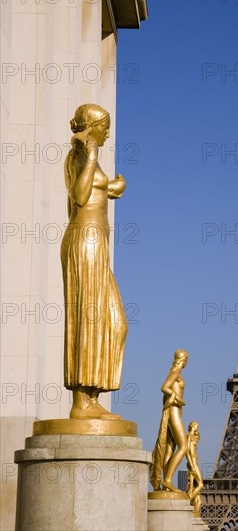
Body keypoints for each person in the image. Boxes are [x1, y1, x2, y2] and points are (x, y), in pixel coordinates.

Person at [61, 104, 127, 419]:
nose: (108, 133)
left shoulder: (89, 158)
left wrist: (113, 186)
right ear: (94, 125)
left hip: (97, 242)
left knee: (115, 323)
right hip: (85, 241)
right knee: (89, 318)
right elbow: (79, 194)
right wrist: (91, 159)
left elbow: (97, 189)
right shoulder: (79, 154)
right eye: (106, 127)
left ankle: (93, 395)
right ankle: (81, 402)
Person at [150, 349, 189, 492]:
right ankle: (167, 480)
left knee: (170, 449)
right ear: (183, 359)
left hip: (175, 412)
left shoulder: (176, 372)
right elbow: (164, 387)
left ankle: (166, 482)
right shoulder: (176, 373)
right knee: (184, 447)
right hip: (174, 412)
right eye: (186, 359)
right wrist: (177, 398)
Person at [186, 421, 204, 516]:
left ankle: (190, 498)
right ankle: (187, 499)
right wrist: (191, 465)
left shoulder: (193, 437)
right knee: (200, 484)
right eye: (197, 426)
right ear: (193, 426)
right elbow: (187, 452)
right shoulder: (189, 436)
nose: (198, 427)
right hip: (193, 462)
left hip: (195, 461)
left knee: (199, 484)